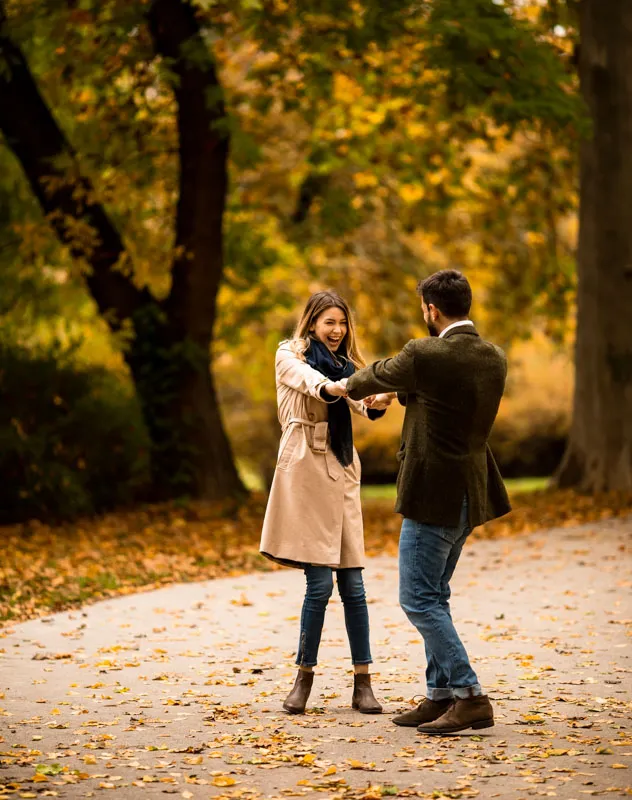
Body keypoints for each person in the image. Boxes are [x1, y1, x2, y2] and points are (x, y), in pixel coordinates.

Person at [343, 269, 511, 735]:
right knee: (435, 595)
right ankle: (440, 695)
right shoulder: (492, 357)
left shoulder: (424, 352)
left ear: (431, 310)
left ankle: (470, 695)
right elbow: (443, 391)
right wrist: (402, 392)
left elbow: (375, 374)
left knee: (417, 598)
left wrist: (345, 385)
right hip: (471, 492)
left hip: (433, 495)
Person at [260, 290, 392, 716]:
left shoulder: (346, 367)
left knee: (353, 585)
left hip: (342, 466)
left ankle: (363, 683)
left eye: (342, 322)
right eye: (329, 322)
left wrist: (377, 399)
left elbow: (361, 401)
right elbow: (309, 381)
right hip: (304, 469)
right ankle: (303, 679)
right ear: (313, 322)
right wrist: (334, 386)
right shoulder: (290, 354)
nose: (337, 330)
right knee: (318, 585)